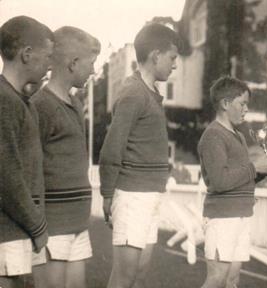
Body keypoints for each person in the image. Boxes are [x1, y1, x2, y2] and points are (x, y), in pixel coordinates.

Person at [99, 23, 180, 288]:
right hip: (132, 195)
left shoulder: (152, 93)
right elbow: (113, 146)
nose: (175, 65)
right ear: (156, 55)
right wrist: (108, 194)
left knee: (140, 273)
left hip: (149, 196)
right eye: (172, 58)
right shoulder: (133, 92)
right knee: (124, 277)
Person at [30, 27, 100, 288]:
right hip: (52, 226)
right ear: (73, 63)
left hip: (77, 224)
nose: (94, 71)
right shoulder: (40, 105)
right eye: (91, 64)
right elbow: (28, 169)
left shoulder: (76, 104)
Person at [198, 76, 267, 288]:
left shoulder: (239, 137)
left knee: (232, 280)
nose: (246, 109)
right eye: (242, 103)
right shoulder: (213, 135)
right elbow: (219, 181)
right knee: (217, 278)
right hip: (222, 218)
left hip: (240, 216)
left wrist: (265, 170)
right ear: (225, 104)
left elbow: (240, 177)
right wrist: (255, 168)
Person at [0, 16, 53, 288]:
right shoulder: (4, 100)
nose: (50, 65)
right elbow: (6, 176)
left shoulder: (23, 101)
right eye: (48, 56)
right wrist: (38, 226)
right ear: (27, 53)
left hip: (19, 232)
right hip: (6, 234)